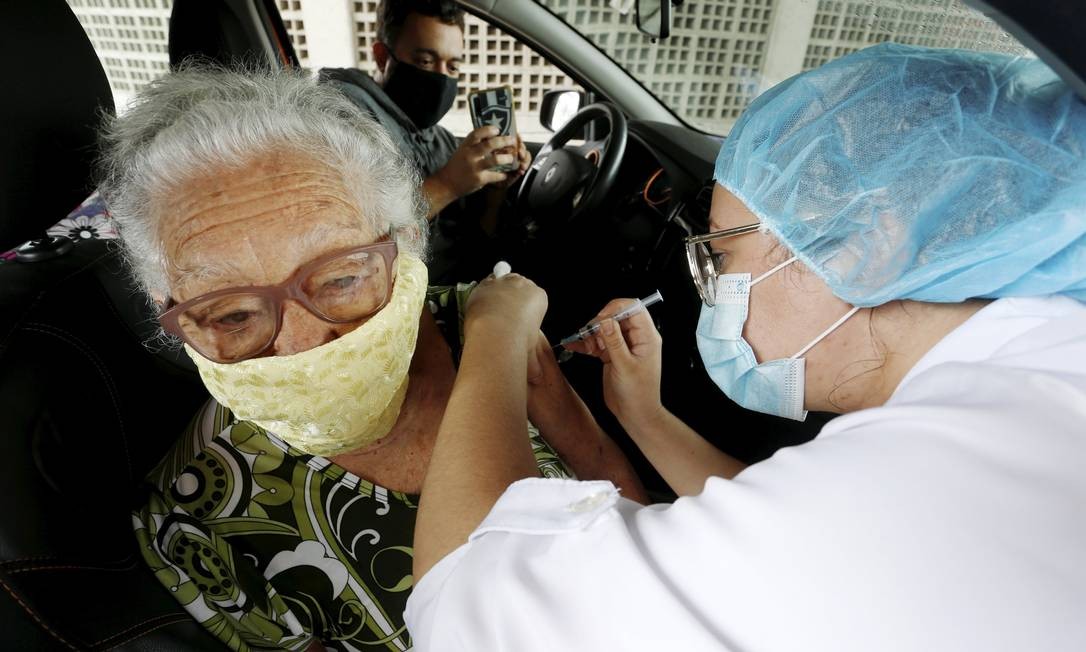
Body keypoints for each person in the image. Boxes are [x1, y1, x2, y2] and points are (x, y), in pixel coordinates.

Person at [403, 44, 1086, 650]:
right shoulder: (1037, 359)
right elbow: (791, 532)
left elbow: (467, 604)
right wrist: (645, 415)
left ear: (867, 243)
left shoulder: (910, 491)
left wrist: (495, 326)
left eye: (722, 251)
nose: (710, 282)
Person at [97, 65, 644, 651]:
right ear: (172, 308)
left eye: (339, 279)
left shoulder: (479, 322)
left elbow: (617, 492)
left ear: (405, 241)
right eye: (232, 315)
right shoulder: (193, 521)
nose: (304, 349)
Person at [320, 0, 530, 282]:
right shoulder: (342, 119)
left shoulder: (441, 140)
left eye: (452, 67)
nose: (441, 79)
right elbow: (357, 243)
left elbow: (472, 240)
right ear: (382, 57)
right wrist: (447, 184)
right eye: (426, 61)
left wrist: (495, 191)